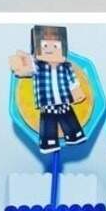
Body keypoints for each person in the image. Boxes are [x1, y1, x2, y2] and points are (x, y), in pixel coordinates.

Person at [9, 25, 86, 153]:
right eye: (45, 46)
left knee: (68, 117)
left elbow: (72, 80)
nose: (50, 49)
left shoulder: (66, 66)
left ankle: (74, 135)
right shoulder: (38, 66)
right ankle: (49, 142)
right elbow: (24, 68)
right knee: (48, 122)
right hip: (48, 102)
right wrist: (20, 62)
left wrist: (76, 92)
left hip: (64, 100)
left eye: (55, 46)